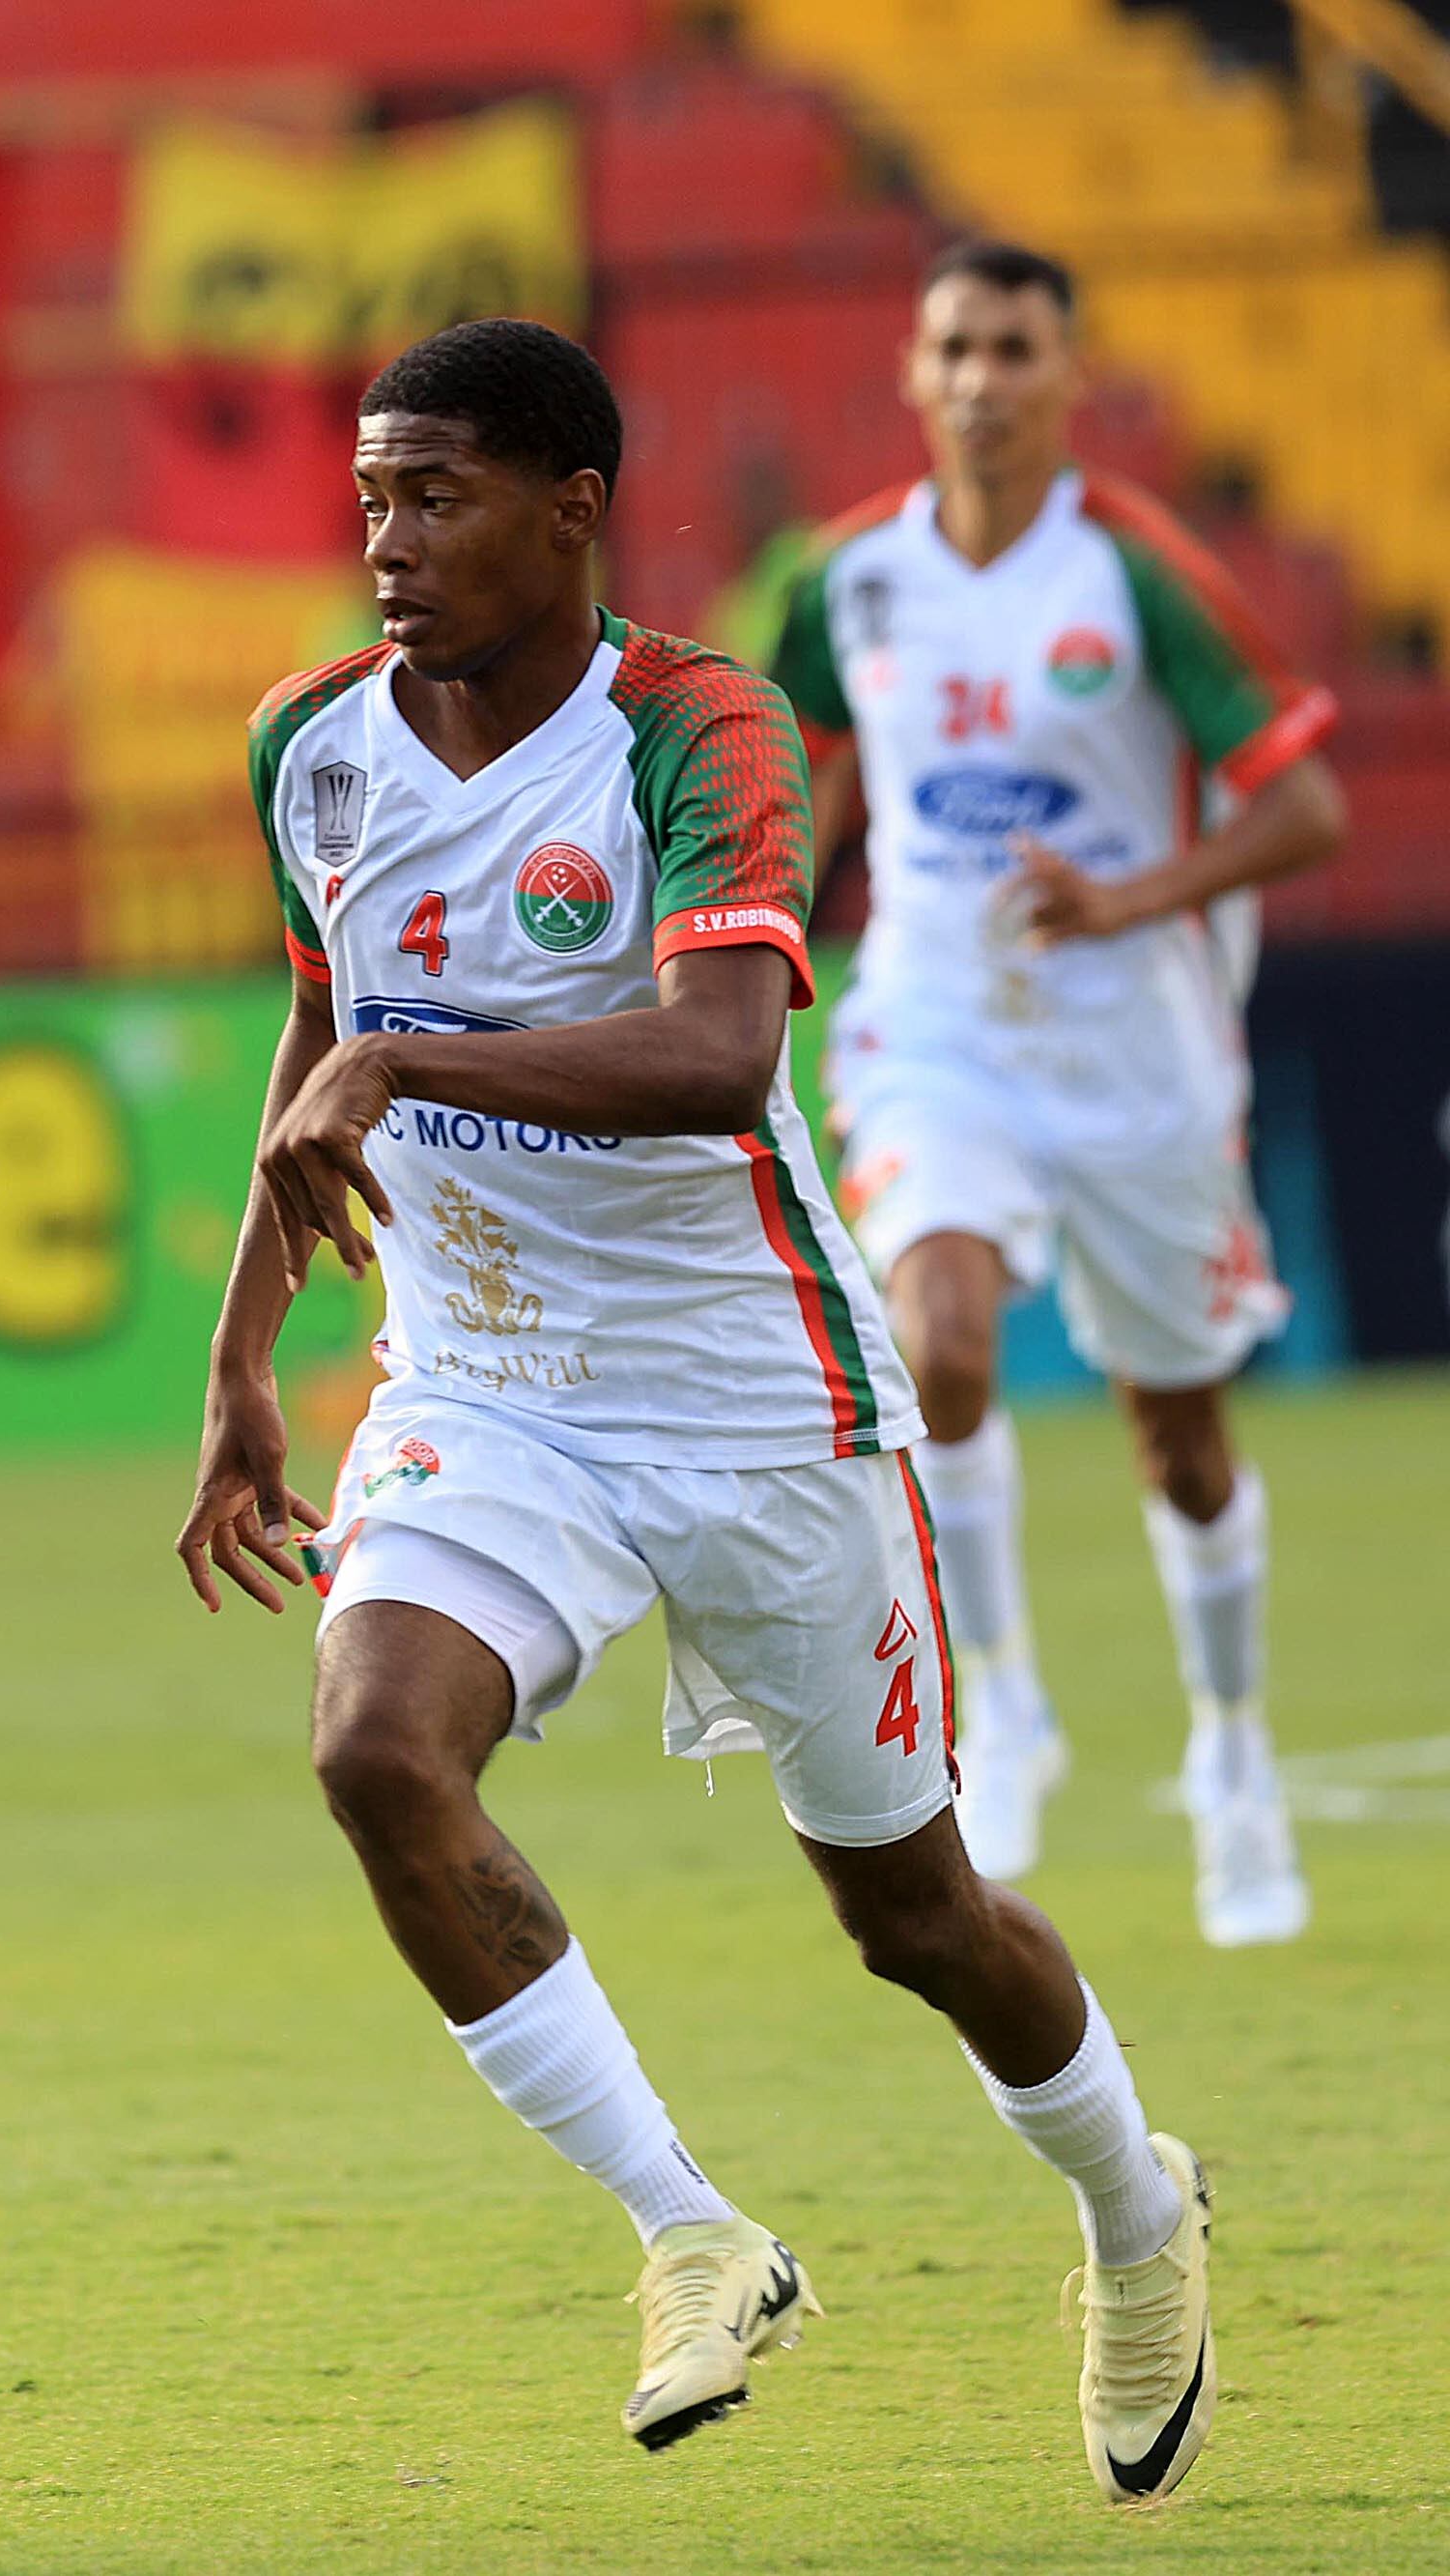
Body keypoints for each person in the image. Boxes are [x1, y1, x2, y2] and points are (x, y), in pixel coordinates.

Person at [181, 319, 1216, 2503]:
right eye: (368, 499)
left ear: (572, 510)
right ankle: (690, 2230)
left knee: (914, 1917)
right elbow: (316, 1034)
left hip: (760, 1401)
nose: (386, 542)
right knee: (375, 1748)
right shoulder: (308, 744)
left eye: (435, 496)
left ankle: (1135, 2211)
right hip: (485, 1381)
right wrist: (242, 1355)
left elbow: (722, 1055)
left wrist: (406, 1059)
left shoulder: (696, 726)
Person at [766, 242, 1345, 1936]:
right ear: (910, 370)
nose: (980, 381)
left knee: (1183, 1440)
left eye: (1015, 349)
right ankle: (1003, 1697)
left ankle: (1232, 1751)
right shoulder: (848, 577)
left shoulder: (1133, 570)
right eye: (953, 346)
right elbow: (795, 769)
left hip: (1134, 1050)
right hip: (937, 1020)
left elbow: (1304, 807)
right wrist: (762, 920)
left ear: (1071, 375)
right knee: (937, 1341)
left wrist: (1129, 897)